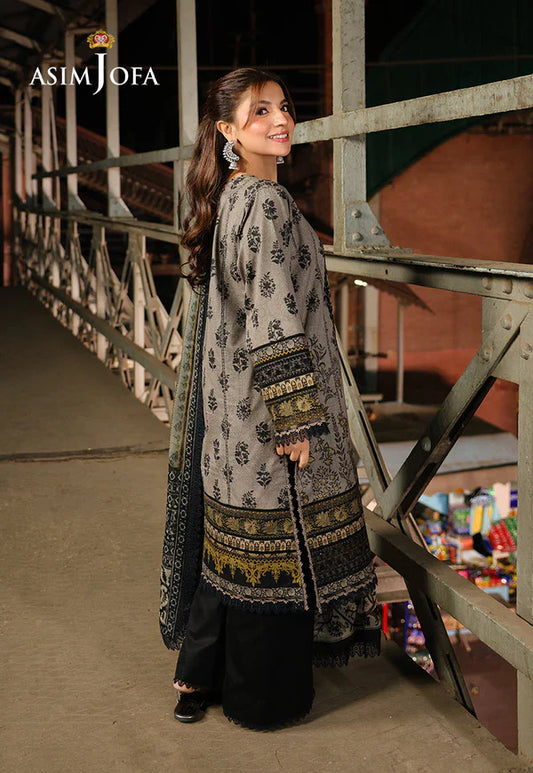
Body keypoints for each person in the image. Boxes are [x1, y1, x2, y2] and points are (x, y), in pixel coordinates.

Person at [159, 66, 381, 731]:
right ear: (227, 130)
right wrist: (295, 418)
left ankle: (198, 677)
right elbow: (274, 313)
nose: (281, 120)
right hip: (267, 411)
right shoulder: (267, 202)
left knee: (232, 544)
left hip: (229, 406)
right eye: (260, 111)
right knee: (275, 549)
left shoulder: (229, 194)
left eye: (283, 107)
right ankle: (263, 701)